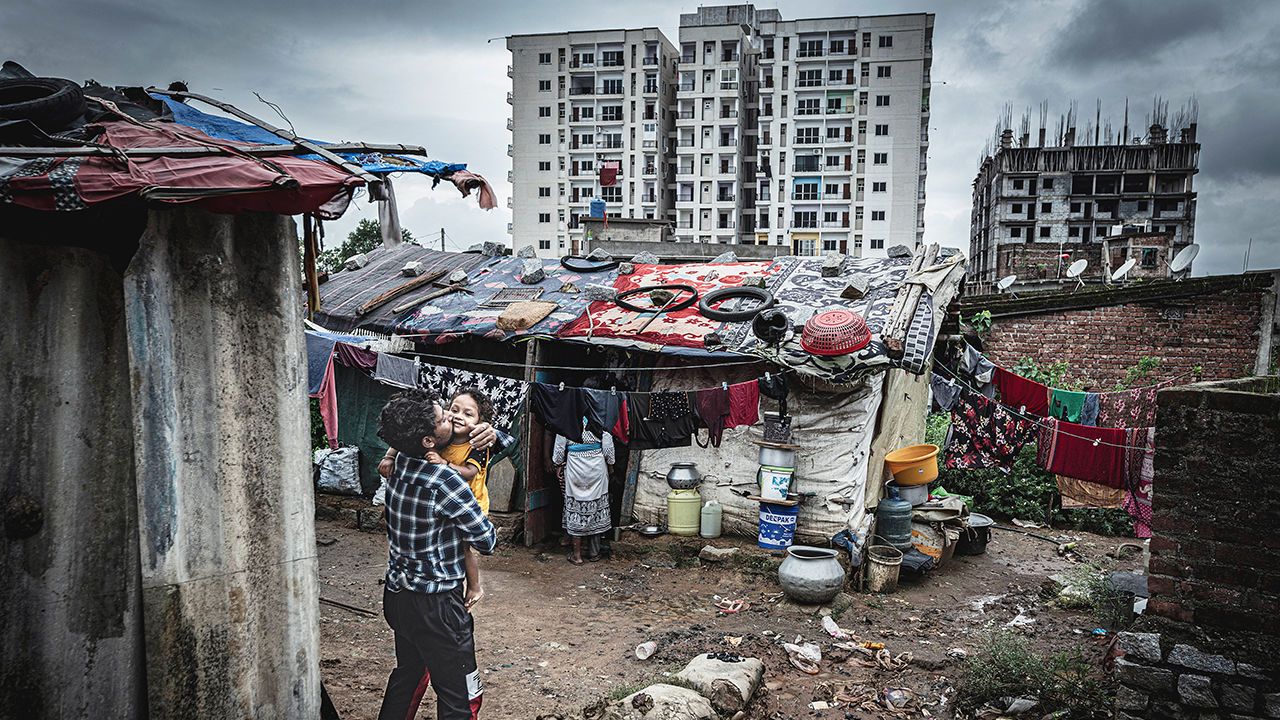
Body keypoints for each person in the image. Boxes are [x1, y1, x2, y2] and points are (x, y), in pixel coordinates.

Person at [376, 388, 496, 720]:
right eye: (444, 417)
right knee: (461, 697)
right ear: (429, 440)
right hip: (437, 607)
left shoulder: (399, 460)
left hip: (398, 597)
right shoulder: (444, 480)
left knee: (408, 676)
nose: (451, 417)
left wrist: (493, 434)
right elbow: (486, 541)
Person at [553, 419, 616, 564]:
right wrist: (611, 466)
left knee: (577, 508)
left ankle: (577, 556)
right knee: (597, 506)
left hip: (575, 467)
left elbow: (558, 450)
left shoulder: (566, 421)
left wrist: (558, 464)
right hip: (596, 468)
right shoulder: (600, 421)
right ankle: (594, 552)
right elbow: (608, 450)